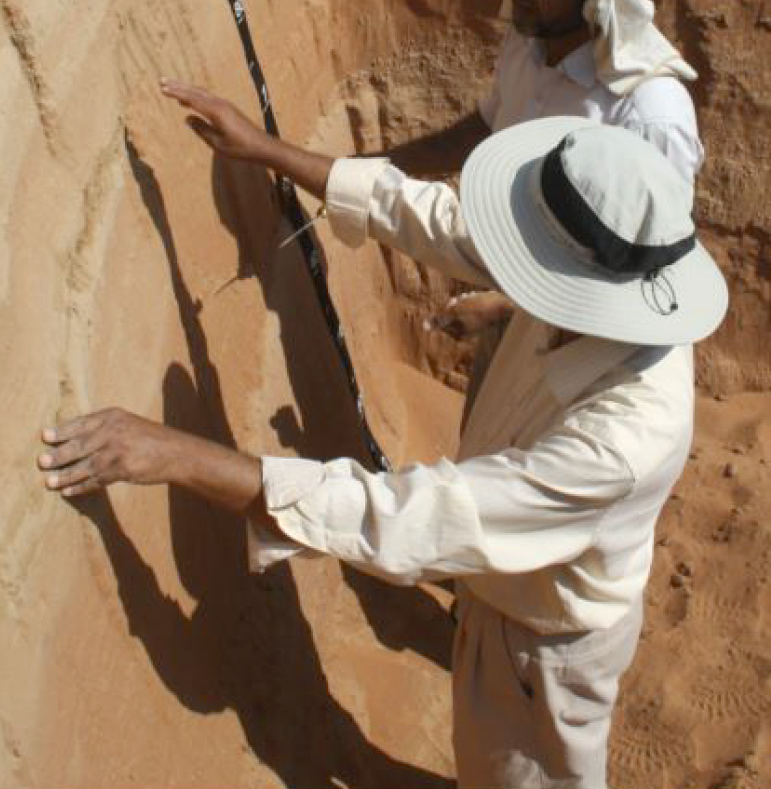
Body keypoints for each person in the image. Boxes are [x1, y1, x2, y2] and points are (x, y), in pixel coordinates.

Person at [38, 84, 728, 789]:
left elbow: (412, 517)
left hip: (542, 655)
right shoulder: (600, 287)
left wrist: (178, 454)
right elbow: (437, 220)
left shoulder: (625, 438)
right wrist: (269, 150)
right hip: (502, 601)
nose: (510, 263)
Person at [387, 0, 705, 339]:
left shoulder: (649, 115)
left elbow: (650, 266)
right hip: (512, 305)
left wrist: (502, 309)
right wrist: (378, 166)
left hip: (592, 350)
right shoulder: (531, 40)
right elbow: (486, 127)